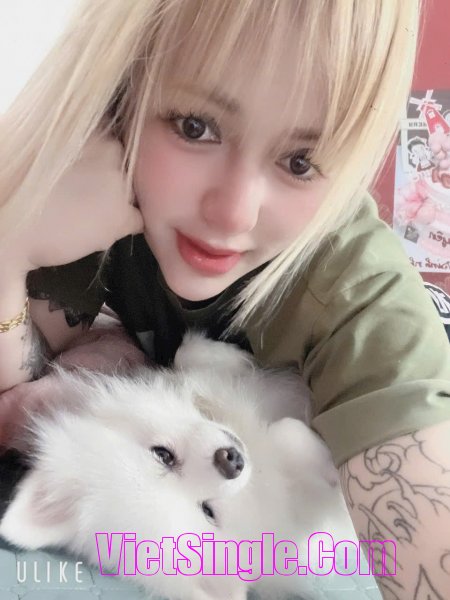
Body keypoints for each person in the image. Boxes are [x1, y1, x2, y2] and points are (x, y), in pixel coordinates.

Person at [0, 1, 449, 598]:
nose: (234, 215)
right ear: (121, 98)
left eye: (301, 161)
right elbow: (19, 405)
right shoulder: (91, 195)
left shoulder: (360, 291)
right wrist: (10, 245)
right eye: (195, 127)